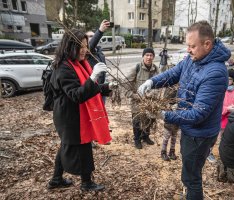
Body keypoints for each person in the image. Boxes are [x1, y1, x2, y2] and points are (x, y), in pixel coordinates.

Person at [138, 21, 231, 200]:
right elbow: (174, 73)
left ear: (207, 44)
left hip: (199, 134)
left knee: (191, 176)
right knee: (189, 170)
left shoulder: (216, 73)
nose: (188, 50)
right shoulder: (193, 58)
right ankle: (189, 194)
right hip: (190, 128)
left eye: (192, 46)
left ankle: (192, 195)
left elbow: (198, 113)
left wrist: (164, 115)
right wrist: (152, 82)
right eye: (187, 45)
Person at [47, 29, 113, 191]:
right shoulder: (64, 68)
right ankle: (86, 183)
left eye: (86, 46)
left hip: (71, 114)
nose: (85, 50)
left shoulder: (77, 63)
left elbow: (85, 88)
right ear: (70, 47)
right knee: (83, 147)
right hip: (70, 117)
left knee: (65, 146)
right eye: (81, 47)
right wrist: (93, 78)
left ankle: (56, 180)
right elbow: (77, 94)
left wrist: (106, 87)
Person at [127, 48, 159, 149]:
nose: (149, 57)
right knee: (137, 120)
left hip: (150, 101)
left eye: (151, 55)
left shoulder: (155, 69)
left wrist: (153, 94)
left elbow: (158, 85)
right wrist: (134, 95)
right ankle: (137, 139)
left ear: (153, 57)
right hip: (137, 101)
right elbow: (126, 84)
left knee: (149, 119)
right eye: (147, 55)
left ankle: (145, 137)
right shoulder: (136, 68)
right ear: (143, 56)